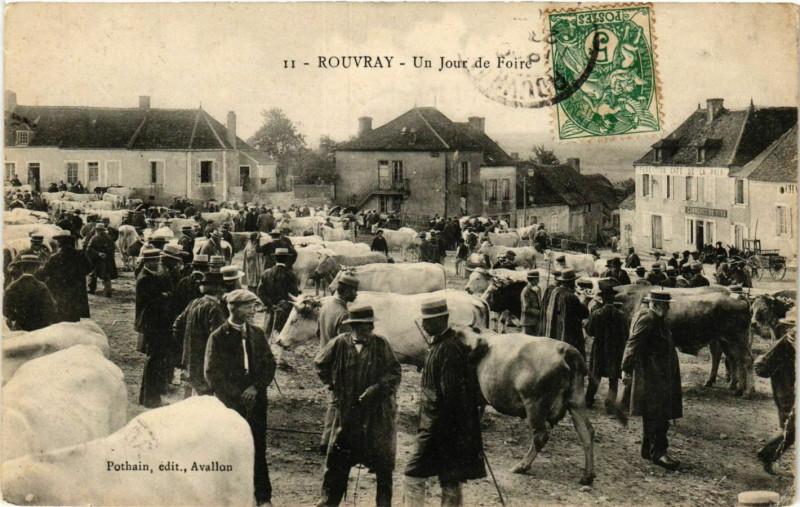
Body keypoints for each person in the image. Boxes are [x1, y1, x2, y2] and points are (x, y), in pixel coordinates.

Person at [315, 303, 402, 506]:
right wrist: (333, 386)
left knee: (383, 465)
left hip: (377, 416)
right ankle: (329, 502)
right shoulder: (339, 344)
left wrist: (377, 389)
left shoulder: (381, 344)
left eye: (371, 324)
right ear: (354, 326)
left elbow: (395, 373)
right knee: (337, 463)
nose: (370, 328)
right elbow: (320, 364)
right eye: (365, 325)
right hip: (347, 415)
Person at [403, 297, 485, 506]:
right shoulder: (439, 344)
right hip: (438, 424)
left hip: (440, 425)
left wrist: (440, 428)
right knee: (449, 477)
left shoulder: (449, 349)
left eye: (428, 321)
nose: (423, 325)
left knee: (414, 473)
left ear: (442, 319)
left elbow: (451, 395)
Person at [205, 289, 276, 507]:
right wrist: (237, 396)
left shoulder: (257, 334)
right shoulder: (218, 337)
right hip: (231, 405)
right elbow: (212, 373)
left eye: (253, 306)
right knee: (230, 448)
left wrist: (256, 387)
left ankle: (263, 496)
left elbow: (269, 364)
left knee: (257, 446)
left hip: (256, 402)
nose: (252, 311)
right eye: (247, 306)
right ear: (232, 308)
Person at [621, 290, 682, 471]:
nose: (668, 308)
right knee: (658, 413)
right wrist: (626, 369)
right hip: (654, 376)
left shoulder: (655, 318)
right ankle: (659, 453)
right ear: (655, 304)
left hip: (659, 374)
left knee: (653, 412)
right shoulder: (648, 319)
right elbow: (633, 343)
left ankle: (648, 449)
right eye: (666, 304)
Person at [317, 273, 359, 453]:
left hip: (326, 359)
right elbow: (347, 345)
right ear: (346, 290)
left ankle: (328, 441)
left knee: (334, 402)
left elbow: (318, 333)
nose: (356, 294)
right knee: (339, 403)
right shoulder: (344, 314)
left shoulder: (326, 306)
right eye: (354, 291)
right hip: (339, 365)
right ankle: (329, 443)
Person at [755, 311, 796, 474]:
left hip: (790, 389)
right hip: (786, 391)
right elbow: (761, 365)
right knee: (792, 429)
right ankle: (767, 454)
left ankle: (768, 454)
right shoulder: (785, 343)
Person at [174, 271, 226, 398]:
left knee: (189, 394)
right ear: (218, 288)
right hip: (205, 360)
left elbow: (177, 326)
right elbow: (218, 337)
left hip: (190, 358)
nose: (224, 290)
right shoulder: (214, 308)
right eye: (223, 287)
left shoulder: (194, 303)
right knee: (204, 397)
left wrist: (186, 344)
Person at [136, 249, 174, 408]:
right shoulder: (145, 278)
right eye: (154, 260)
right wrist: (166, 296)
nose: (157, 263)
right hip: (151, 324)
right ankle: (150, 399)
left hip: (154, 323)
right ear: (147, 262)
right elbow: (153, 301)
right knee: (153, 361)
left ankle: (150, 397)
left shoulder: (150, 275)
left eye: (158, 260)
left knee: (155, 360)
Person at [584, 279, 629, 413]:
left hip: (599, 350)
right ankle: (610, 405)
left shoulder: (596, 314)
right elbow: (626, 334)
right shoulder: (621, 315)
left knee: (595, 375)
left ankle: (588, 400)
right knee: (613, 379)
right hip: (615, 351)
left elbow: (589, 332)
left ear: (602, 300)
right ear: (613, 299)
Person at [35, 232, 92, 322]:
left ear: (60, 243)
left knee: (61, 315)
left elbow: (44, 272)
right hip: (76, 291)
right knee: (74, 316)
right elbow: (89, 268)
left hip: (60, 291)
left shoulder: (55, 257)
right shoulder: (80, 255)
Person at [541, 269, 590, 357]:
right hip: (568, 334)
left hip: (555, 332)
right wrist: (584, 300)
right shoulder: (571, 297)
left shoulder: (554, 292)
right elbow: (584, 313)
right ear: (571, 282)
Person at [3, 254, 57, 331]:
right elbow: (51, 308)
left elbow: (5, 309)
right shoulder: (41, 287)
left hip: (20, 328)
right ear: (35, 268)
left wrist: (15, 317)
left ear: (21, 267)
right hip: (39, 328)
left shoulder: (12, 286)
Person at [257, 247, 300, 337]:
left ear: (274, 258)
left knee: (267, 333)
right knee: (282, 335)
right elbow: (295, 293)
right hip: (285, 310)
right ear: (287, 259)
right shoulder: (291, 275)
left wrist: (270, 304)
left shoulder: (266, 273)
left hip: (270, 309)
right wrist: (285, 303)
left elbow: (260, 292)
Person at [86, 222, 117, 297]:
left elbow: (89, 249)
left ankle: (91, 289)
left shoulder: (94, 238)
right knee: (106, 276)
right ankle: (108, 291)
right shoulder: (109, 238)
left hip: (96, 260)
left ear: (96, 230)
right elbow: (113, 249)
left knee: (93, 274)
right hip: (107, 260)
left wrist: (98, 254)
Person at [519, 270, 542, 335]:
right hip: (527, 322)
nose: (538, 281)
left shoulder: (538, 289)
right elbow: (525, 309)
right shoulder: (525, 291)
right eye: (537, 279)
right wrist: (539, 312)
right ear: (531, 280)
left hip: (536, 322)